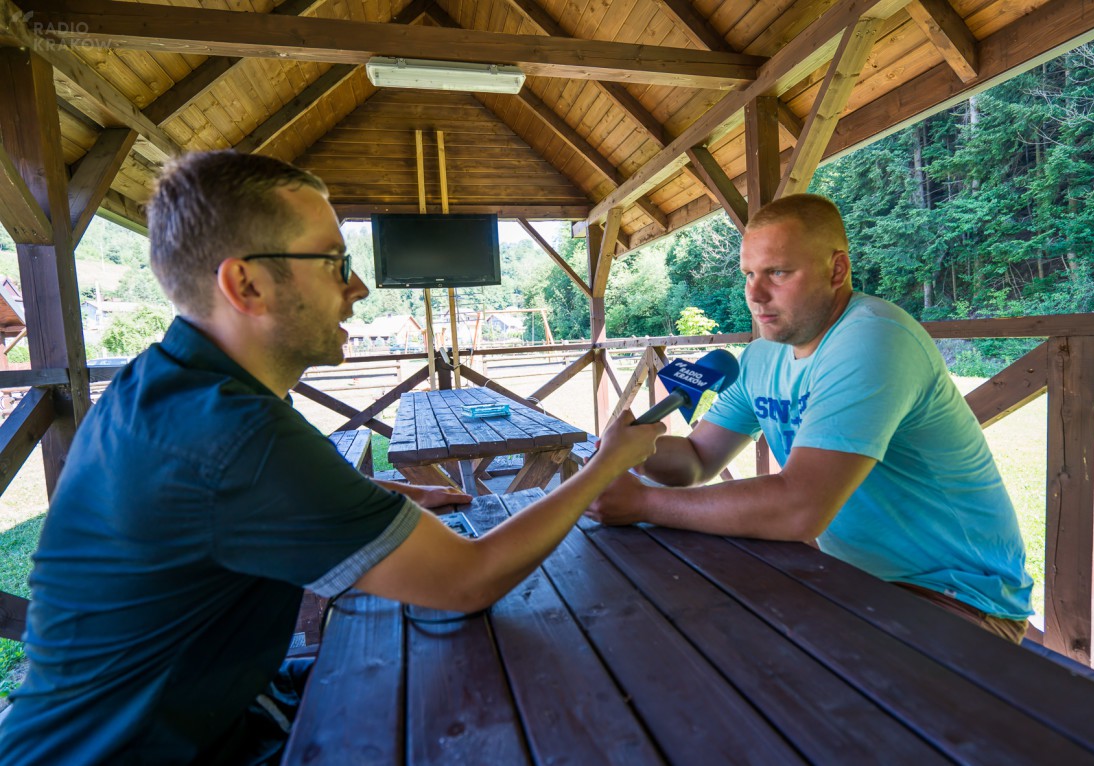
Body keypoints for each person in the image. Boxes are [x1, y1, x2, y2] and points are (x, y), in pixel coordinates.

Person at [0, 150, 665, 764]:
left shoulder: (168, 387)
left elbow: (233, 507)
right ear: (247, 284)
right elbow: (469, 582)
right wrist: (606, 462)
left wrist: (384, 496)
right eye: (334, 262)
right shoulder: (235, 431)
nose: (359, 290)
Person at [587, 193, 1033, 642]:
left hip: (958, 599)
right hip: (851, 581)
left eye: (778, 273)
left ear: (837, 270)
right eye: (749, 274)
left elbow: (799, 507)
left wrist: (642, 504)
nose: (755, 294)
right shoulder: (763, 357)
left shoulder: (874, 339)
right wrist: (631, 447)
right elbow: (697, 459)